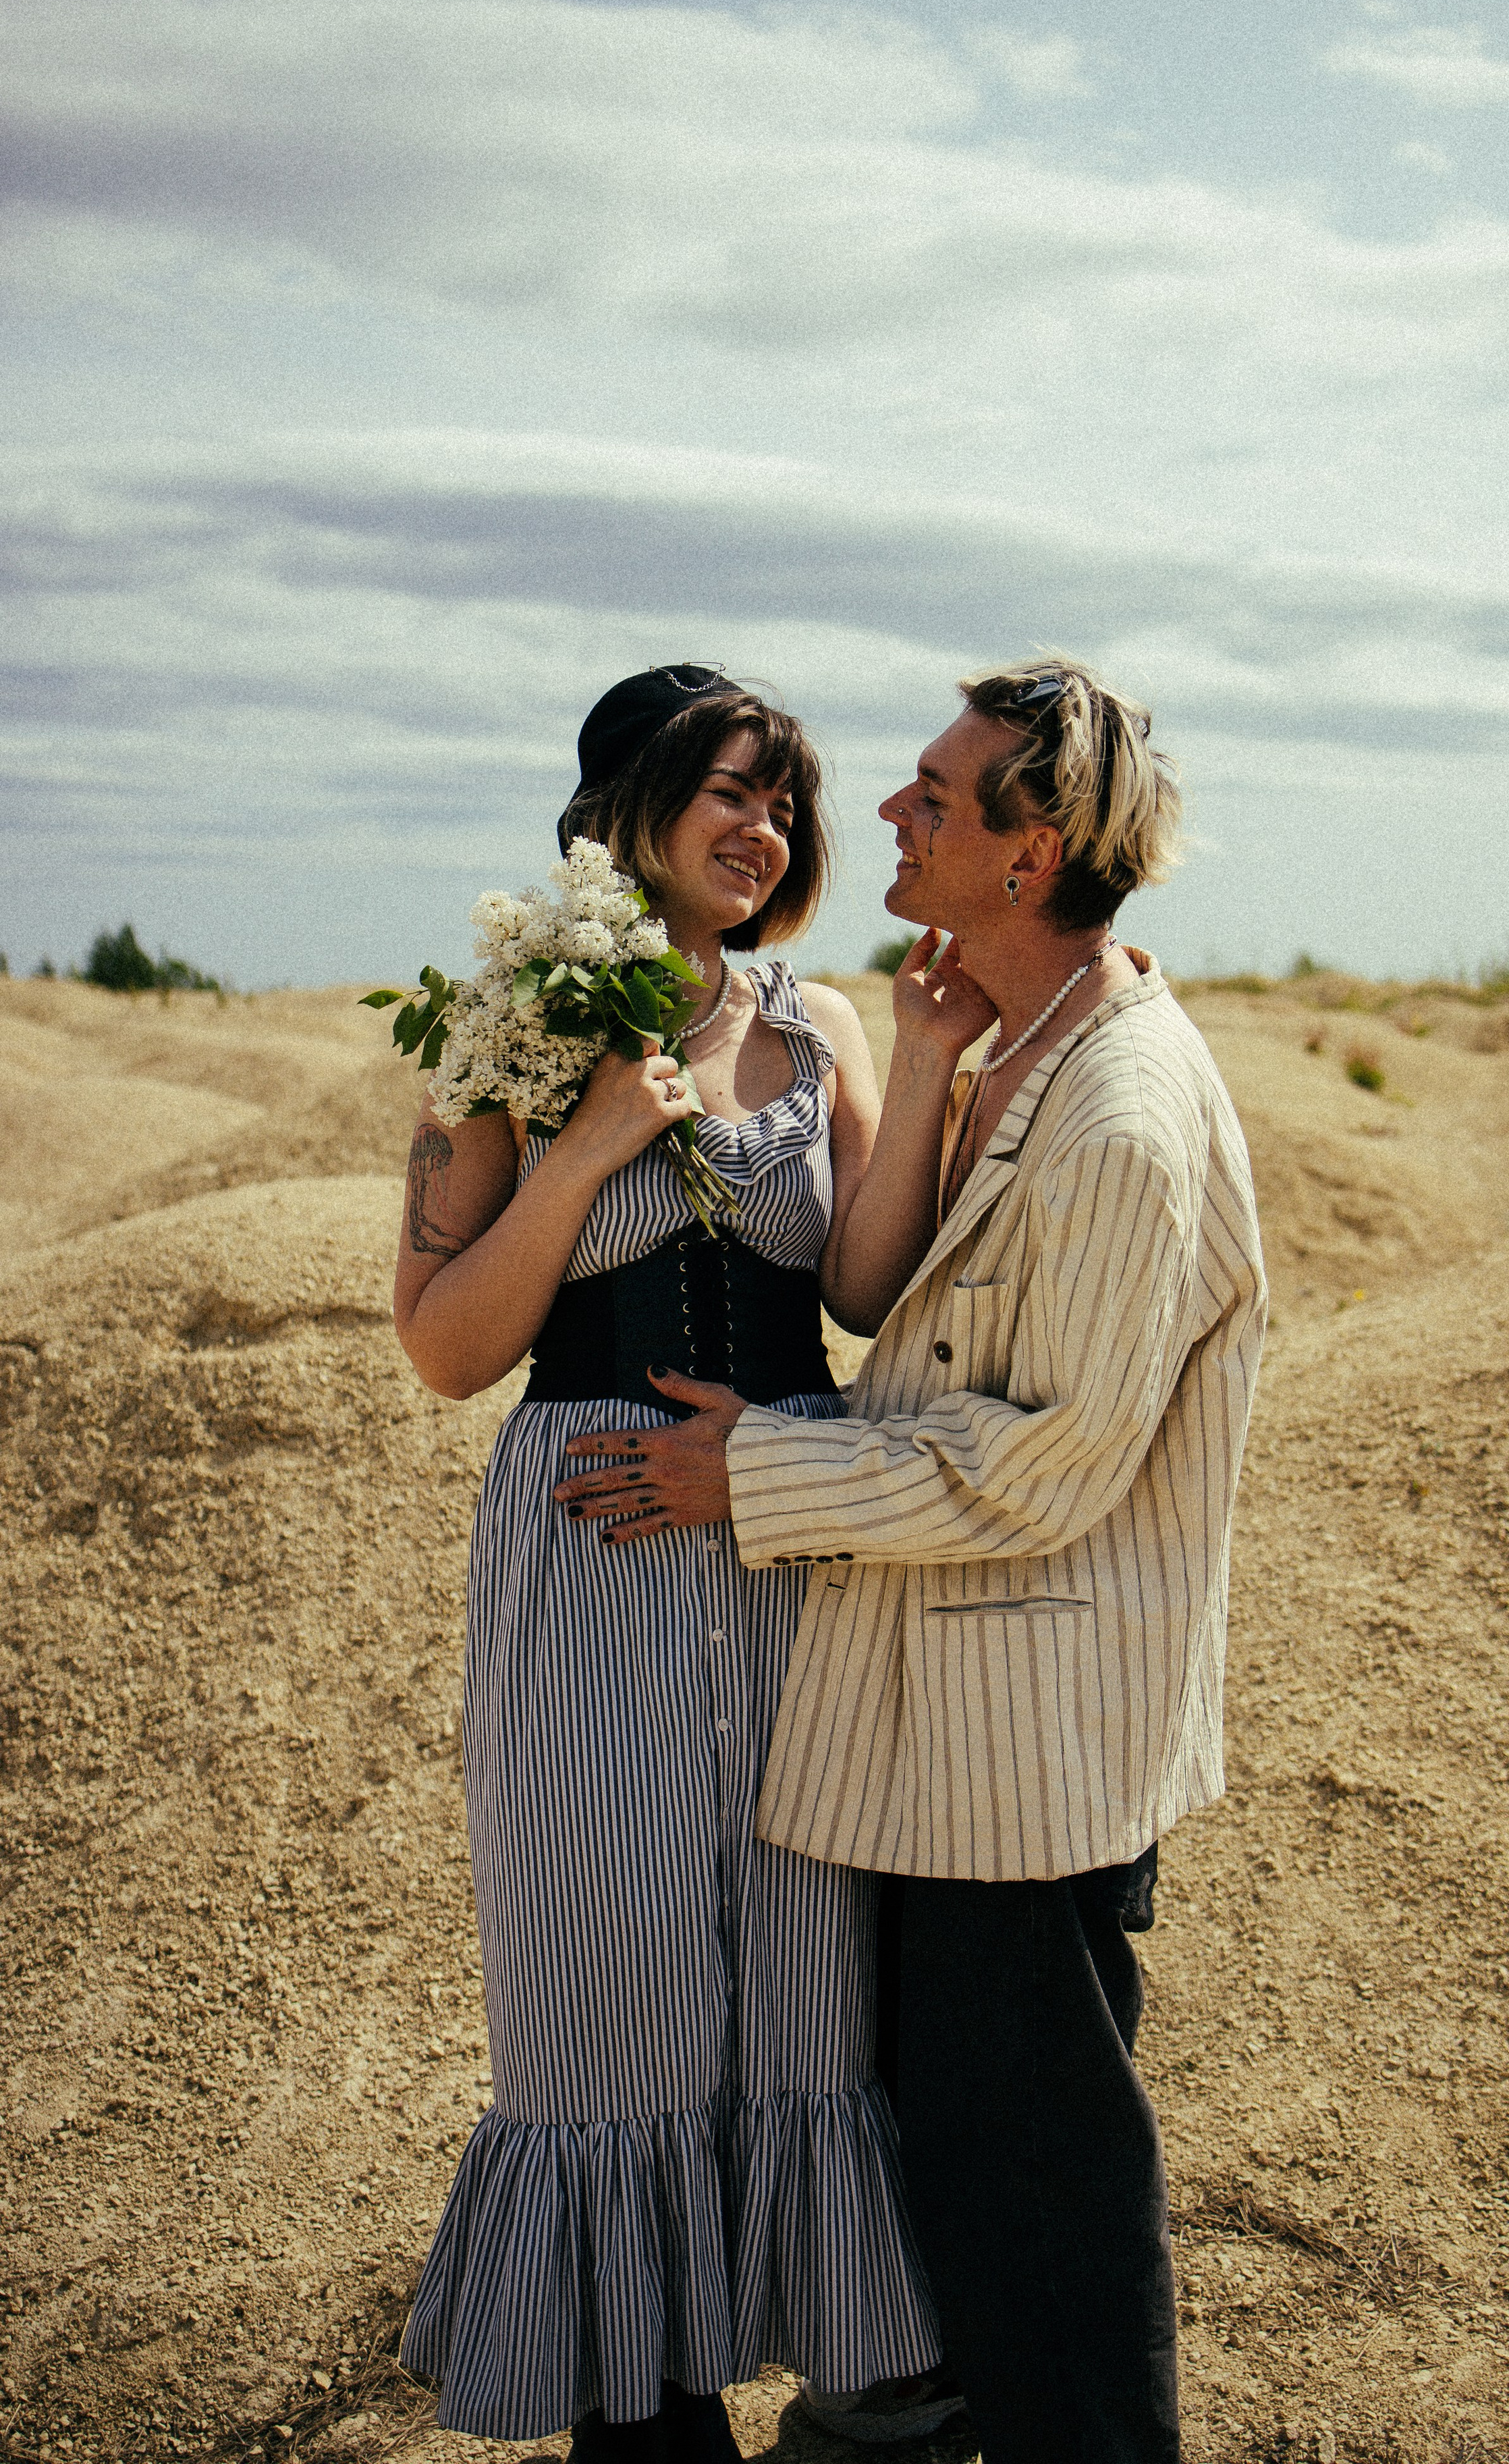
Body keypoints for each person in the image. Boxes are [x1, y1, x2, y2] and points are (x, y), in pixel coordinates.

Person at [557, 657, 1269, 2464]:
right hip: (963, 1741)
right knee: (979, 2184)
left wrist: (758, 1474)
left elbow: (1045, 1463)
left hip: (1033, 1756)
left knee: (1052, 2228)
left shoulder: (1118, 1109)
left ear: (1031, 856)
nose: (885, 810)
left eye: (938, 798)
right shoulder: (1024, 1048)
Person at [393, 666, 980, 2459]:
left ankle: (809, 2366)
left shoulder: (820, 1034)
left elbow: (866, 1292)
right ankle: (639, 2424)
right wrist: (584, 1150)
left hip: (786, 1537)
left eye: (786, 801)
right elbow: (442, 1341)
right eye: (731, 789)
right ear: (630, 807)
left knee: (801, 1980)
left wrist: (936, 1053)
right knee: (616, 1979)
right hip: (585, 1559)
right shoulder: (505, 1019)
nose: (767, 827)